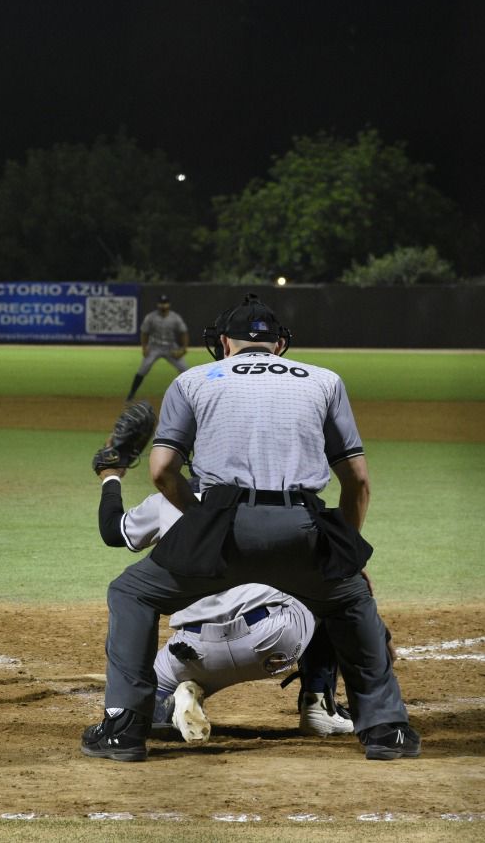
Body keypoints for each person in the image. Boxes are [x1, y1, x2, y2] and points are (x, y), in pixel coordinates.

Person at [82, 293, 418, 762]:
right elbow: (357, 481)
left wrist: (202, 522)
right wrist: (344, 551)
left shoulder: (194, 380)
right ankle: (385, 729)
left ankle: (123, 729)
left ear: (224, 343)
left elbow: (162, 470)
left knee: (132, 592)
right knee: (350, 599)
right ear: (280, 345)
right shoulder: (324, 380)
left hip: (222, 526)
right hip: (301, 524)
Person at [95, 464, 354, 743]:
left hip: (193, 653)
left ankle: (169, 708)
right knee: (325, 587)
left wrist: (111, 475)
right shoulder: (274, 500)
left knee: (144, 701)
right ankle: (319, 706)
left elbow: (112, 531)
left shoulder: (163, 502)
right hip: (274, 641)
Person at [125, 295, 188, 401]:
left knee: (185, 370)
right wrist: (144, 347)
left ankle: (190, 395)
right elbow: (144, 332)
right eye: (161, 303)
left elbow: (184, 332)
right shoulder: (150, 317)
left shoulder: (175, 317)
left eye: (165, 303)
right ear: (158, 304)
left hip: (171, 347)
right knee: (143, 369)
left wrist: (183, 348)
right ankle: (131, 394)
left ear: (169, 304)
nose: (163, 305)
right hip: (154, 347)